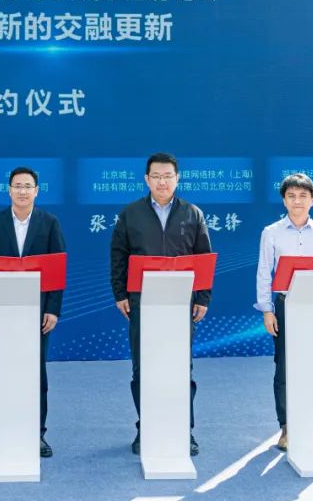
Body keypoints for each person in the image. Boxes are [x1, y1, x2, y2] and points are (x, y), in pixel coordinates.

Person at [109, 152, 212, 457]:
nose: (162, 182)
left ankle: (184, 431)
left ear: (177, 179)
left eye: (168, 176)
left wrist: (202, 297)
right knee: (143, 367)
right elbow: (118, 256)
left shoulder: (193, 213)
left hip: (181, 303)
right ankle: (146, 428)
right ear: (147, 179)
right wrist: (120, 294)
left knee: (180, 367)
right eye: (156, 176)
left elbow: (203, 257)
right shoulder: (130, 214)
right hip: (142, 302)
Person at [0, 166, 65, 460]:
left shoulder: (49, 223)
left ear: (36, 191)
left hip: (37, 311)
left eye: (28, 186)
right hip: (2, 309)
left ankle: (37, 434)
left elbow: (57, 269)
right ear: (9, 190)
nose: (22, 191)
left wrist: (53, 309)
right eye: (17, 186)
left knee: (36, 373)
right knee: (2, 371)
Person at [255, 173, 313, 451]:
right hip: (286, 305)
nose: (297, 201)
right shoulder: (271, 232)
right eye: (292, 196)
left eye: (303, 196)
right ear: (284, 200)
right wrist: (267, 310)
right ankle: (287, 427)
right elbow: (264, 272)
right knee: (284, 367)